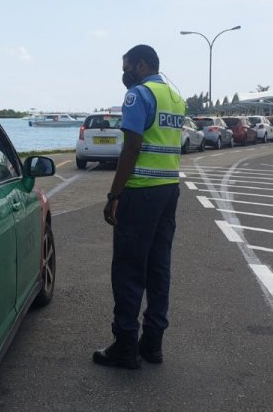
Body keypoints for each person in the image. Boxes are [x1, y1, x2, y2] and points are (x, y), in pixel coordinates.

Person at [94, 44, 185, 369]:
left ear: (142, 65)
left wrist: (114, 195)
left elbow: (132, 146)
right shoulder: (175, 98)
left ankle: (125, 345)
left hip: (141, 192)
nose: (125, 72)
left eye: (128, 66)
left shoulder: (138, 95)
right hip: (168, 190)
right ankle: (153, 344)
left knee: (129, 269)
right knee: (159, 267)